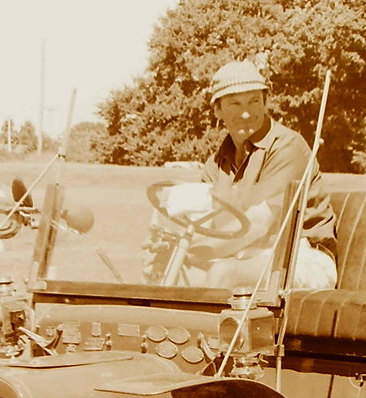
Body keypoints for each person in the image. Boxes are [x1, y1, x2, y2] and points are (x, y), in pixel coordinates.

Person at [144, 59, 338, 289]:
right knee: (162, 270)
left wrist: (192, 251)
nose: (245, 113)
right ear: (218, 109)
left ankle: (206, 326)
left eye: (254, 101)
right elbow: (207, 221)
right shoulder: (217, 163)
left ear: (266, 102)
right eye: (235, 104)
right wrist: (172, 247)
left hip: (302, 257)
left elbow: (258, 224)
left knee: (223, 273)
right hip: (248, 255)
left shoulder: (288, 147)